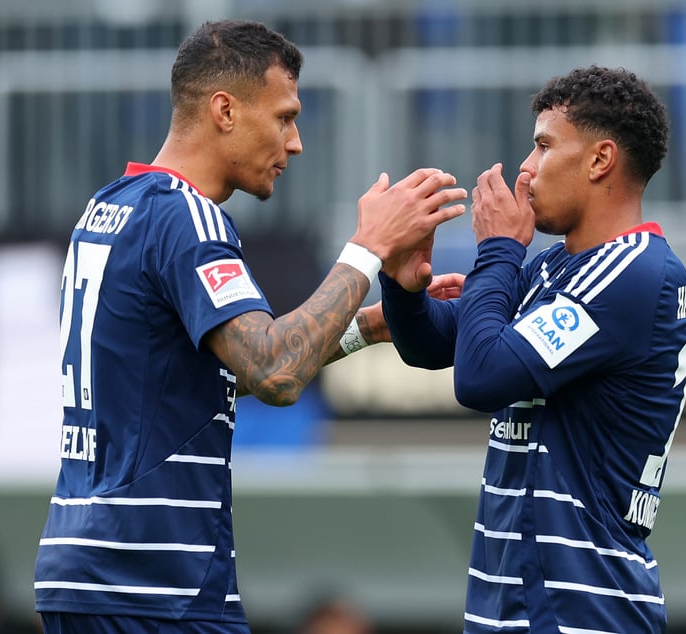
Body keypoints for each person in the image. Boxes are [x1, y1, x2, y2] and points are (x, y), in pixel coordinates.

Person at [33, 19, 466, 634]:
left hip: (84, 570)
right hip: (156, 582)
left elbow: (188, 384)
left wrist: (364, 327)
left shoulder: (110, 206)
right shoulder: (188, 220)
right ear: (225, 110)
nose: (295, 143)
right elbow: (275, 371)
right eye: (285, 117)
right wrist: (368, 247)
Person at [379, 66, 686, 633]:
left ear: (600, 160)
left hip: (584, 607)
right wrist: (404, 287)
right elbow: (435, 344)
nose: (525, 169)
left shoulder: (632, 271)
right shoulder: (557, 267)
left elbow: (480, 379)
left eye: (544, 146)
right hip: (518, 607)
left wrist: (498, 252)